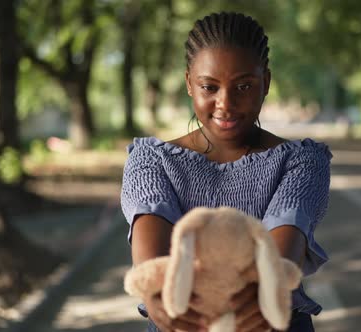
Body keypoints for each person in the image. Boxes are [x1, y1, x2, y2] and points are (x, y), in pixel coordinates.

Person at [121, 12, 332, 332]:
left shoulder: (303, 161)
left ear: (267, 83)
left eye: (244, 86)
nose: (226, 103)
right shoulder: (150, 161)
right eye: (209, 86)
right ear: (189, 83)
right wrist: (159, 292)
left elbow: (281, 248)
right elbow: (152, 253)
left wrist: (259, 294)